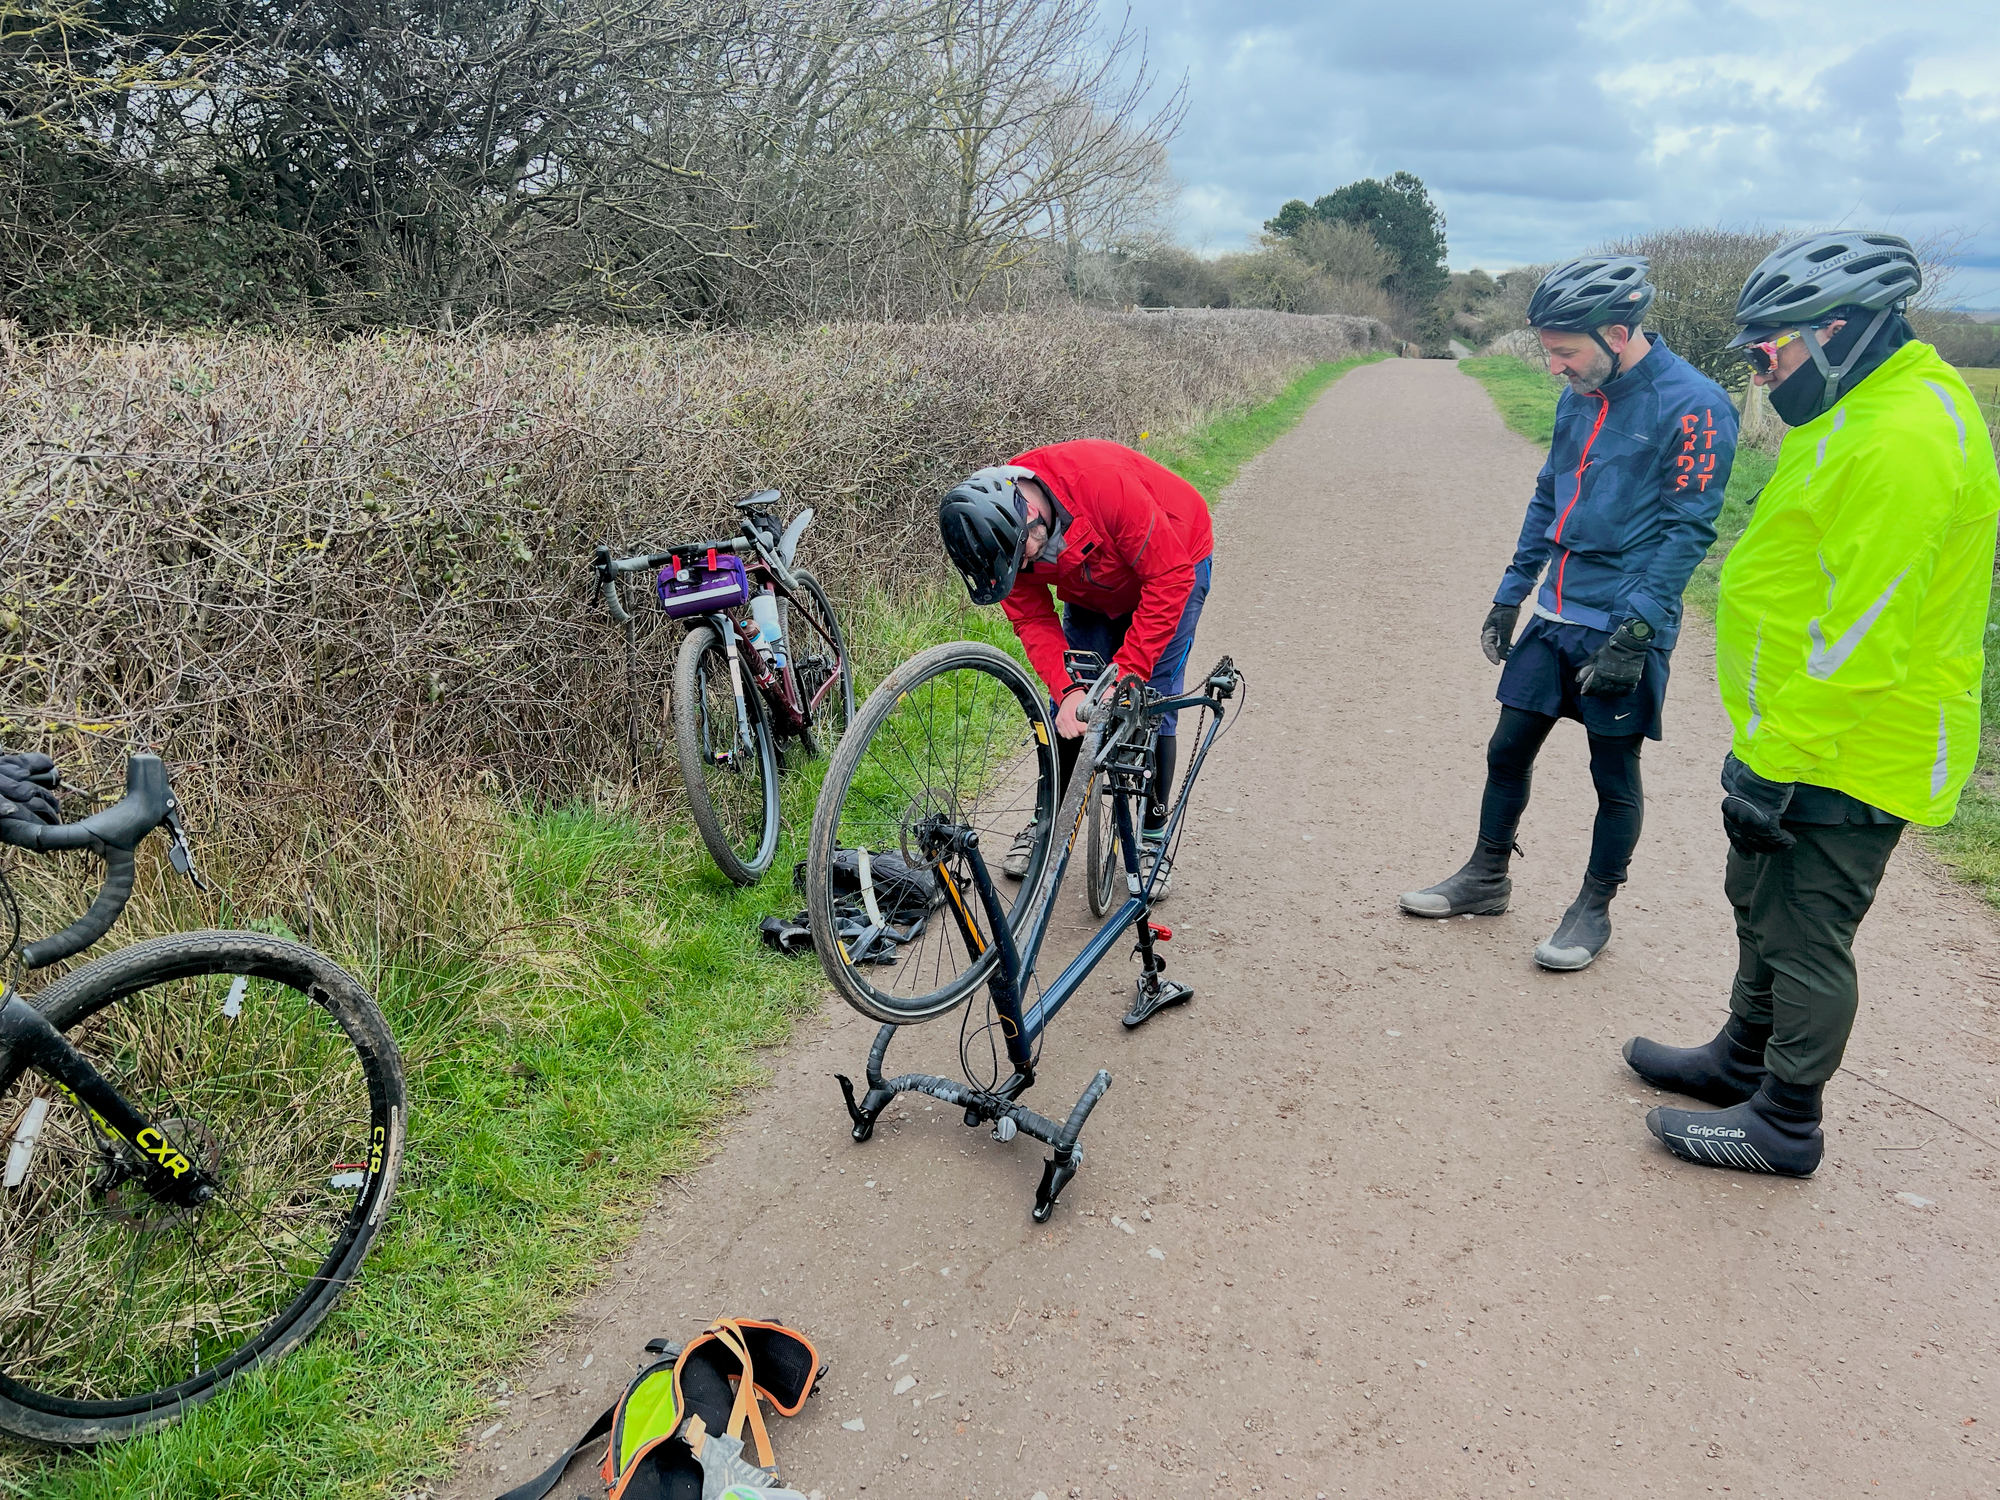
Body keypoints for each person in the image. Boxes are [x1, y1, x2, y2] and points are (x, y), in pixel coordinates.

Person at [1626, 231, 2000, 1177]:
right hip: (1807, 729)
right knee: (1759, 898)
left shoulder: (1903, 436)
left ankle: (1787, 1121)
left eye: (1769, 350)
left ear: (1838, 330)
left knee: (1806, 930)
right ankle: (1740, 1061)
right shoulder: (1862, 401)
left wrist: (1778, 753)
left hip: (1854, 739)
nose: (1761, 371)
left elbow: (1863, 631)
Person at [1399, 256, 1739, 969]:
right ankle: (1486, 876)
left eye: (1565, 351)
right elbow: (1547, 495)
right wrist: (1509, 590)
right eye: (1549, 351)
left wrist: (1637, 632)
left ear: (1618, 331)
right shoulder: (1578, 394)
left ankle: (1594, 908)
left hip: (1624, 620)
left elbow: (1688, 532)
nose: (1555, 367)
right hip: (1556, 609)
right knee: (1506, 750)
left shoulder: (1696, 405)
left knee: (1611, 776)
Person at [937, 439, 1213, 898]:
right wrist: (1067, 692)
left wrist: (1129, 670)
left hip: (1175, 559)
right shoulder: (1003, 545)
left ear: (1028, 511)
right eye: (1014, 563)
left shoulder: (1102, 485)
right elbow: (1031, 618)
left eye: (1023, 553)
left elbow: (1169, 579)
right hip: (1091, 585)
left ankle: (1150, 834)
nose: (1023, 566)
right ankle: (1050, 820)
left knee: (1154, 697)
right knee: (1075, 701)